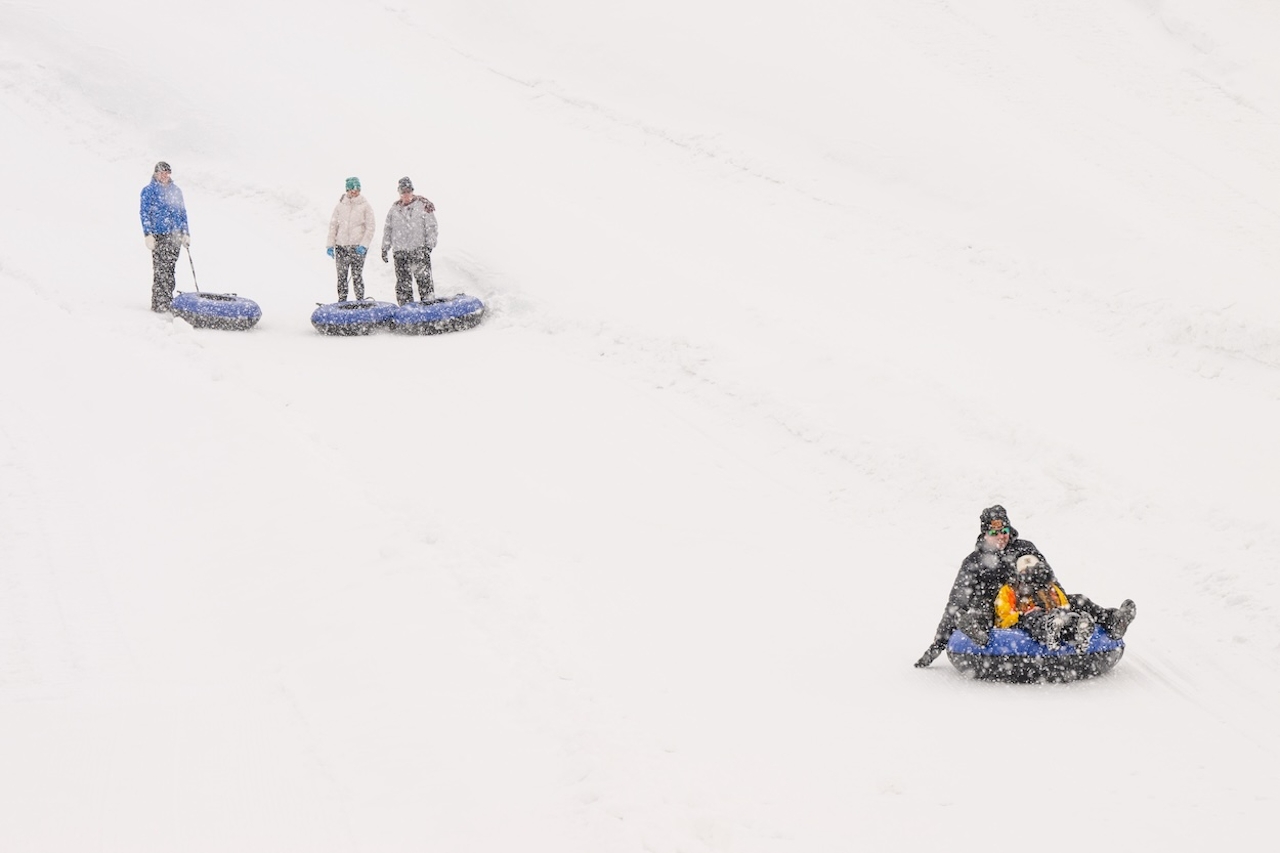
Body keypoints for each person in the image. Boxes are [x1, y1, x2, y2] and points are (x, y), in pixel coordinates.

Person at [913, 505, 1136, 668]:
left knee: (1077, 599)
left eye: (1004, 531)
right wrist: (938, 645)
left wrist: (1060, 600)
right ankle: (976, 630)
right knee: (981, 605)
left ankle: (1112, 620)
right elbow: (956, 602)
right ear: (984, 534)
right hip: (1001, 610)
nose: (1000, 536)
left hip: (1032, 600)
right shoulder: (974, 562)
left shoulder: (1024, 548)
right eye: (994, 532)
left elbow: (1051, 580)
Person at [993, 554, 1095, 651]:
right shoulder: (1009, 590)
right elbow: (1003, 620)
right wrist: (1020, 616)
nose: (1029, 576)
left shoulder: (1050, 588)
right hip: (1024, 622)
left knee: (1064, 615)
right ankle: (1050, 629)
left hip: (1053, 617)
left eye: (1032, 571)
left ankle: (1077, 629)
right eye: (1025, 572)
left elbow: (1064, 606)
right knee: (1033, 616)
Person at [139, 161, 190, 312]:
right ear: (156, 174)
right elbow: (144, 213)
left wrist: (186, 233)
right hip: (159, 236)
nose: (165, 176)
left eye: (167, 173)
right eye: (162, 173)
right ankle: (158, 303)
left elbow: (182, 214)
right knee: (161, 269)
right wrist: (148, 234)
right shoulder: (148, 191)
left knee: (170, 269)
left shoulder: (176, 191)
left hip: (175, 236)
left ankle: (168, 300)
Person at [381, 176, 438, 305]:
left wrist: (429, 245)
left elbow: (432, 227)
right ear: (399, 193)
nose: (406, 194)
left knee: (424, 282)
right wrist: (385, 247)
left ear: (412, 191)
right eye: (403, 192)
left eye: (408, 191)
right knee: (403, 285)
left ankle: (429, 308)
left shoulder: (423, 205)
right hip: (400, 252)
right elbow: (388, 229)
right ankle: (406, 311)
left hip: (419, 250)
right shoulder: (394, 209)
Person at [325, 177, 376, 301]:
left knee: (357, 275)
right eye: (352, 189)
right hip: (341, 247)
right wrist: (330, 245)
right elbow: (333, 226)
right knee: (342, 276)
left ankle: (360, 300)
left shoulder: (365, 206)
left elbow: (371, 227)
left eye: (357, 189)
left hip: (357, 247)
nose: (355, 191)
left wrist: (364, 244)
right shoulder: (340, 206)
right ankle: (342, 301)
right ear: (347, 190)